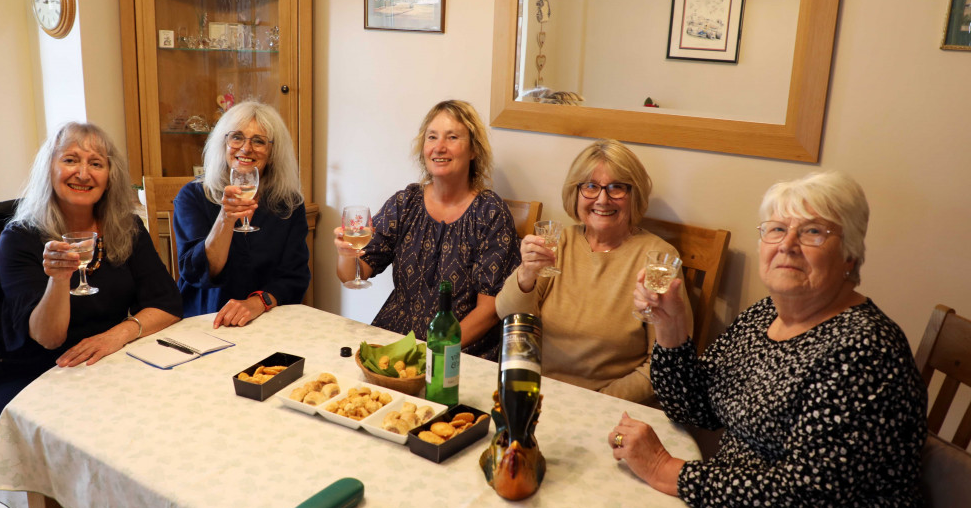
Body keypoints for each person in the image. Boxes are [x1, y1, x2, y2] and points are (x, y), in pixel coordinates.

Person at [612, 170, 937, 508]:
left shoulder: (864, 350)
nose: (788, 244)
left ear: (849, 255)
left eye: (813, 231)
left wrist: (668, 469)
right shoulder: (765, 315)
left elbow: (802, 498)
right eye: (777, 229)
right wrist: (670, 329)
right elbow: (699, 407)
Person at [0, 122, 184, 508]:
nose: (83, 171)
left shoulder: (125, 228)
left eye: (97, 162)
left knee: (177, 415)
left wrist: (117, 334)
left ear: (110, 175)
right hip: (31, 373)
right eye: (71, 159)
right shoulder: (23, 238)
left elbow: (167, 304)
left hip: (106, 362)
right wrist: (58, 280)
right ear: (50, 168)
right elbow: (48, 337)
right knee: (71, 444)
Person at [495, 139, 692, 403]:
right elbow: (508, 315)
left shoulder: (658, 260)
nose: (602, 199)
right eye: (590, 186)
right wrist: (526, 275)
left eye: (616, 188)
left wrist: (595, 401)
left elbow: (663, 364)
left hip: (608, 405)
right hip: (538, 394)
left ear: (634, 194)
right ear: (575, 193)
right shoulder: (559, 243)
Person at [334, 99, 520, 360]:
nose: (439, 147)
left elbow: (489, 310)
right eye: (432, 137)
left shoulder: (490, 213)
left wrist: (436, 351)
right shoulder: (405, 203)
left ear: (473, 150)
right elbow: (354, 275)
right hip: (395, 340)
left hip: (459, 349)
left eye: (452, 137)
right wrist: (345, 253)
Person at [173, 100, 310, 327]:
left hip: (267, 320)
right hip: (205, 320)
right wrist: (225, 218)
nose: (246, 148)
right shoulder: (193, 196)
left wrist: (257, 303)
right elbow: (195, 273)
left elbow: (295, 277)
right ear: (223, 143)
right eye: (237, 137)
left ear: (274, 152)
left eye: (259, 141)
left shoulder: (289, 204)